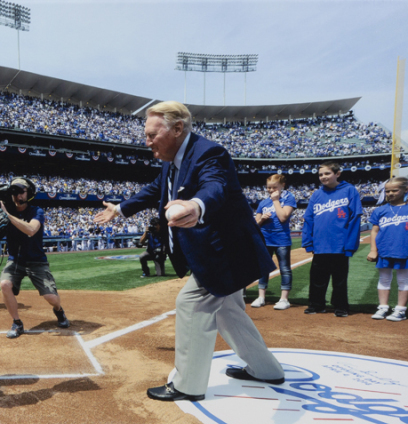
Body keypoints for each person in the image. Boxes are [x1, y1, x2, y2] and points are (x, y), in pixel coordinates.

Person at [94, 101, 284, 402]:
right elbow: (157, 188)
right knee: (228, 311)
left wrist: (195, 205)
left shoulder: (209, 153)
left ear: (178, 128)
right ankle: (266, 370)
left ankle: (188, 385)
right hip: (216, 251)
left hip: (225, 253)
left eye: (152, 134)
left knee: (191, 303)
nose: (146, 142)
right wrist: (120, 208)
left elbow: (215, 187)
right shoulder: (172, 160)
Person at [0, 177, 70, 339]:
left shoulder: (36, 211)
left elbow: (31, 230)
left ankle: (59, 311)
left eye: (21, 192)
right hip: (15, 260)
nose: (17, 196)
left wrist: (7, 215)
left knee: (51, 298)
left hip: (37, 260)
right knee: (4, 284)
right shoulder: (5, 213)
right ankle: (17, 322)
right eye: (14, 192)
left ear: (29, 193)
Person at [301, 162, 362, 317]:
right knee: (317, 278)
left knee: (339, 279)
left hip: (340, 244)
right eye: (320, 174)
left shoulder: (349, 190)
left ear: (337, 174)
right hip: (320, 245)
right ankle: (316, 304)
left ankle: (340, 306)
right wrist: (308, 241)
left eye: (327, 173)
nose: (323, 177)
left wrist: (350, 245)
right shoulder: (316, 194)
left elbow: (355, 218)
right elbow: (308, 218)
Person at [366, 177, 408, 322]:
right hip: (384, 250)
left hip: (404, 250)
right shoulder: (381, 210)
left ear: (406, 189)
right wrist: (373, 250)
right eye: (387, 191)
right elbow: (374, 231)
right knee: (384, 279)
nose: (391, 193)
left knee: (403, 279)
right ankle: (383, 307)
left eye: (395, 190)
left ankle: (400, 310)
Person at [251, 174, 297, 310]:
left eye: (274, 187)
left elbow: (283, 217)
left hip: (281, 239)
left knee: (285, 269)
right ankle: (261, 297)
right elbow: (255, 225)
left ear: (282, 186)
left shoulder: (289, 198)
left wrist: (276, 200)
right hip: (265, 240)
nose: (271, 190)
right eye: (268, 187)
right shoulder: (263, 202)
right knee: (263, 269)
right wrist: (262, 219)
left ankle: (284, 299)